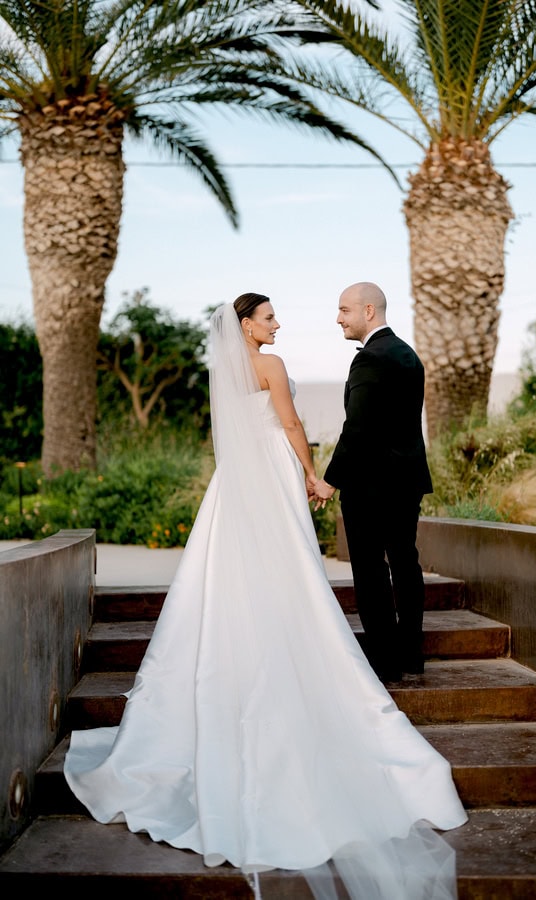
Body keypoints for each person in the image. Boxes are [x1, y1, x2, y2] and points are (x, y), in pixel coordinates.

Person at [64, 293, 467, 900]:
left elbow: (233, 433)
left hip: (236, 482)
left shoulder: (225, 370)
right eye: (269, 317)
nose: (278, 324)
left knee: (227, 569)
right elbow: (292, 424)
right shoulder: (274, 366)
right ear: (247, 326)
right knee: (296, 566)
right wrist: (312, 475)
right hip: (276, 472)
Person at [312, 282, 432, 683]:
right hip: (407, 480)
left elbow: (358, 429)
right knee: (405, 562)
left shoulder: (369, 359)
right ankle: (411, 654)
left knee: (369, 570)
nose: (338, 319)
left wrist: (330, 481)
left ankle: (384, 660)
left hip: (370, 485)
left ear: (368, 311)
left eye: (344, 310)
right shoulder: (407, 354)